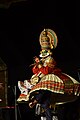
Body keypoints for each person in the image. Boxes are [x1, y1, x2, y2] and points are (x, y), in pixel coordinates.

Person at [18, 28, 80, 120]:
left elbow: (47, 71)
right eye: (42, 41)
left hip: (49, 78)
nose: (43, 42)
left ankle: (35, 100)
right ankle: (31, 94)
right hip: (41, 80)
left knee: (44, 89)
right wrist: (38, 65)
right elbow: (35, 72)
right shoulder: (42, 60)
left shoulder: (51, 59)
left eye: (45, 41)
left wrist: (40, 66)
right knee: (44, 102)